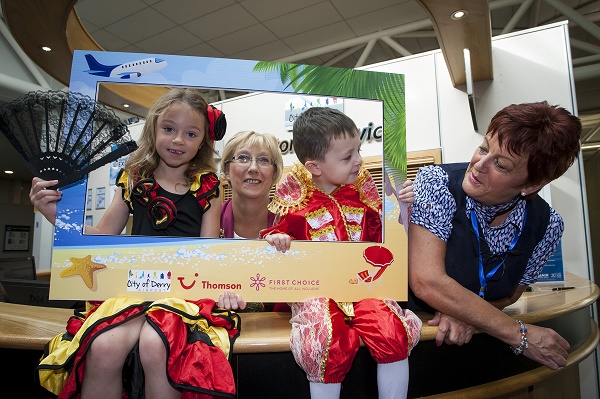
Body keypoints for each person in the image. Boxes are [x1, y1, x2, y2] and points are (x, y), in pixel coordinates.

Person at [32, 88, 245, 399]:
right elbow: (104, 238)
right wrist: (53, 213)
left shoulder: (209, 188)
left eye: (190, 133)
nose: (177, 140)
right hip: (131, 289)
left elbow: (208, 253)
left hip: (183, 294)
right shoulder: (132, 179)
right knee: (103, 346)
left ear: (203, 140)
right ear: (154, 128)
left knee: (157, 343)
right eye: (169, 129)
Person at [260, 106, 422, 399]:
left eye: (358, 150)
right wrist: (278, 240)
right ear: (314, 166)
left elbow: (388, 241)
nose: (359, 161)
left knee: (390, 327)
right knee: (325, 338)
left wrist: (401, 206)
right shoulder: (296, 201)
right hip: (315, 291)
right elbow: (274, 236)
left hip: (364, 288)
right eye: (348, 157)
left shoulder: (363, 194)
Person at [406, 101, 581, 370]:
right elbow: (427, 281)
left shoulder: (548, 225)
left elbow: (511, 296)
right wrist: (520, 335)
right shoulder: (436, 182)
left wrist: (468, 315)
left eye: (500, 164)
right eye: (484, 148)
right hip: (414, 351)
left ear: (531, 184)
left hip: (475, 357)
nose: (478, 164)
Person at [219, 130, 290, 311]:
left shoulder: (291, 223)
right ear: (227, 170)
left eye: (264, 160)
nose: (253, 168)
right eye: (243, 158)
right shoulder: (208, 221)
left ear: (274, 175)